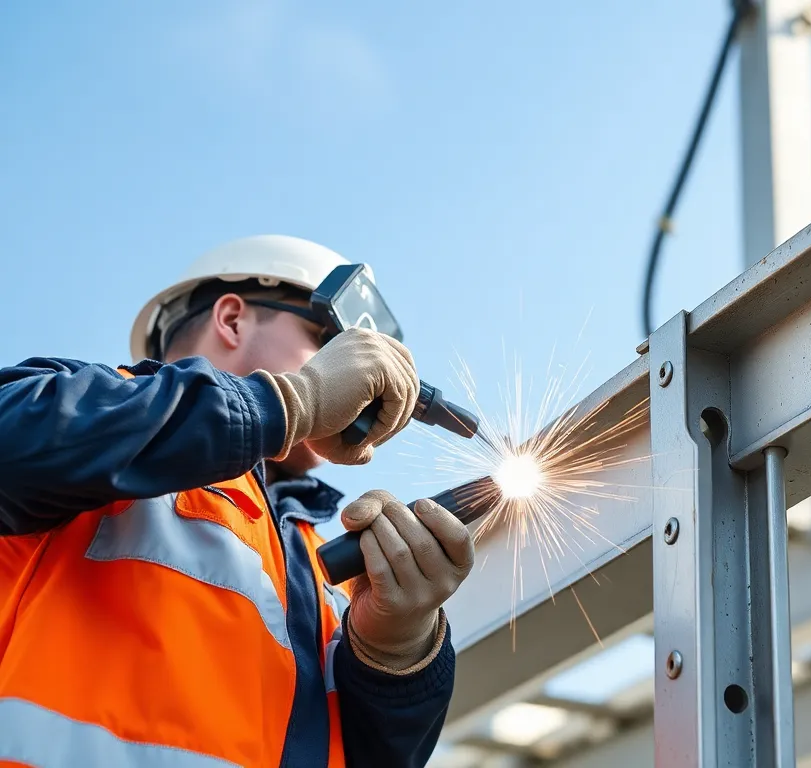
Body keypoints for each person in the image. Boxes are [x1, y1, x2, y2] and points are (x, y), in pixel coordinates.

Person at [0, 235, 474, 767]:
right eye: (334, 344)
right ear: (232, 319)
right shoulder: (82, 408)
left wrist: (397, 654)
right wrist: (286, 402)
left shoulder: (321, 561)